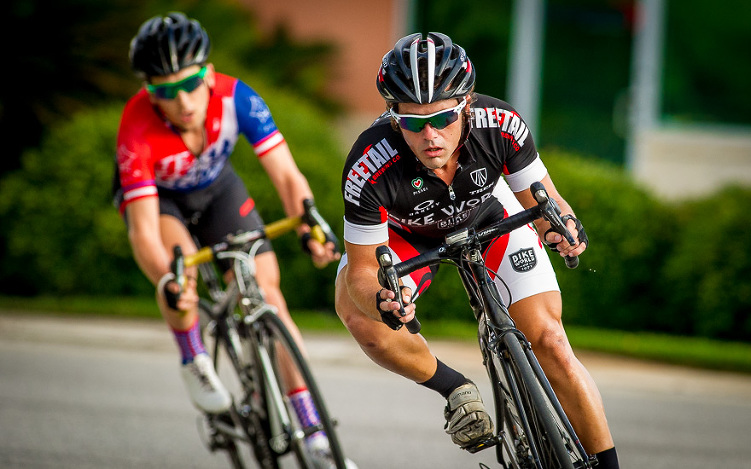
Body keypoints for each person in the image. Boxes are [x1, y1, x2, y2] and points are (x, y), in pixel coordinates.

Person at [334, 32, 620, 468]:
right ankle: (455, 388)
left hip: (487, 216)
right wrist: (382, 300)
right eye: (413, 122)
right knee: (360, 317)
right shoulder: (369, 165)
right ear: (393, 117)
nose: (430, 136)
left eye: (443, 118)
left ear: (466, 104)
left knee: (552, 342)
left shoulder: (501, 123)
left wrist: (563, 228)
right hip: (406, 235)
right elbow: (361, 273)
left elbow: (544, 201)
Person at [113, 12, 349, 467]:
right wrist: (169, 279)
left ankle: (313, 430)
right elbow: (143, 230)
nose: (182, 100)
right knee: (178, 271)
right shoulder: (136, 125)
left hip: (218, 191)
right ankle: (193, 358)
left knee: (270, 297)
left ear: (209, 72)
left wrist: (310, 223)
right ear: (149, 91)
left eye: (191, 83)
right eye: (164, 91)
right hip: (162, 203)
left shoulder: (238, 97)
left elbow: (286, 175)